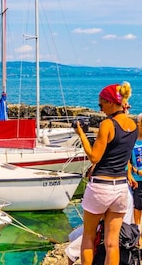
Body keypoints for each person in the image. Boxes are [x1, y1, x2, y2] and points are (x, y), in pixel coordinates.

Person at [79, 82, 135, 265]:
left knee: (88, 236)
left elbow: (94, 157)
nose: (100, 108)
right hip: (120, 188)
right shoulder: (133, 125)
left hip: (101, 187)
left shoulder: (108, 124)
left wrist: (81, 134)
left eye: (101, 104)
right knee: (112, 243)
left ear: (110, 102)